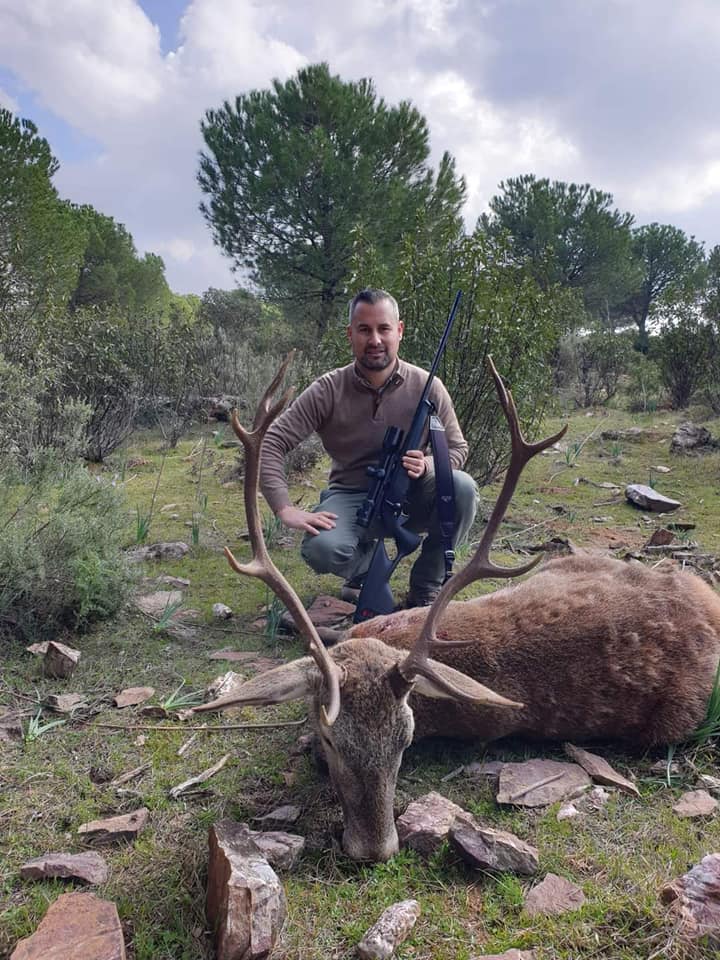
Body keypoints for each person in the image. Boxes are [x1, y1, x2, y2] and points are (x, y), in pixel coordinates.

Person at [259, 288, 478, 608]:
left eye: (384, 328)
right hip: (351, 495)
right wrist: (284, 508)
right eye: (364, 330)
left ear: (399, 331)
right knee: (321, 550)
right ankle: (364, 571)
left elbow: (457, 448)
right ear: (350, 334)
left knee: (463, 489)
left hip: (411, 493)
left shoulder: (428, 387)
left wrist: (428, 465)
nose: (375, 339)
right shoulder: (327, 389)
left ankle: (426, 585)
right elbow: (271, 442)